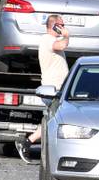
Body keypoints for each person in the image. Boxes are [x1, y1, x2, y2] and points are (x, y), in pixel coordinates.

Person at [15, 14, 69, 162]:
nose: (63, 27)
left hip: (56, 88)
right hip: (52, 89)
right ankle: (29, 143)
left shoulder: (51, 40)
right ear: (54, 26)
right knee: (54, 120)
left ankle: (27, 142)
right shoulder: (48, 39)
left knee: (52, 119)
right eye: (61, 25)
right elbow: (62, 45)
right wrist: (66, 36)